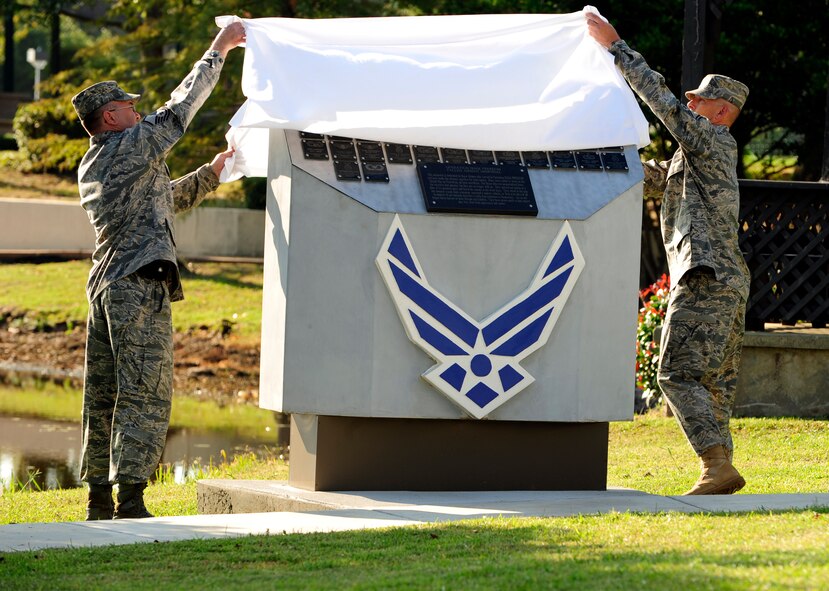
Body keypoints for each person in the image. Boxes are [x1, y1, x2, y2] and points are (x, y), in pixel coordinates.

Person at [71, 21, 246, 519]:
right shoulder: (128, 146)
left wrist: (211, 174)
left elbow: (163, 202)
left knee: (102, 394)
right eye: (129, 106)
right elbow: (180, 109)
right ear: (110, 117)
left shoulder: (100, 160)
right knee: (144, 390)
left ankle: (99, 500)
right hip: (137, 285)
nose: (139, 109)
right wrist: (220, 48)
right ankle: (130, 501)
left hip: (107, 287)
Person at [586, 12, 750, 495]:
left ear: (721, 112)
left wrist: (617, 47)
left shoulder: (711, 138)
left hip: (704, 274)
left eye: (700, 100)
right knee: (712, 381)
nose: (689, 102)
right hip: (726, 278)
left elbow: (661, 103)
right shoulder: (697, 154)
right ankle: (718, 470)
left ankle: (715, 465)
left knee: (675, 372)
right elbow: (643, 176)